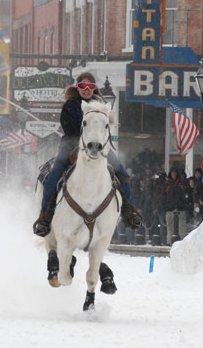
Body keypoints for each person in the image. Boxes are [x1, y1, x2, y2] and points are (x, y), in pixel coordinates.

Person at [32, 72, 142, 294]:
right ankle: (45, 216)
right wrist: (82, 138)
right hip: (72, 146)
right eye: (82, 86)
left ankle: (129, 209)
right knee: (53, 177)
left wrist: (101, 133)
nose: (86, 89)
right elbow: (69, 128)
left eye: (90, 86)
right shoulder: (71, 106)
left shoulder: (100, 104)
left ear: (94, 88)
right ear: (77, 87)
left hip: (98, 145)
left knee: (122, 172)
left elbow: (108, 125)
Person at [164, 167, 188, 245]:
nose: (174, 174)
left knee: (181, 227)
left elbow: (184, 195)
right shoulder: (167, 184)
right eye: (172, 173)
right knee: (169, 228)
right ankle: (169, 242)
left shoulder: (181, 183)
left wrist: (182, 204)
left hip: (180, 208)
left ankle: (182, 242)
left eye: (175, 173)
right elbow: (163, 196)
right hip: (169, 208)